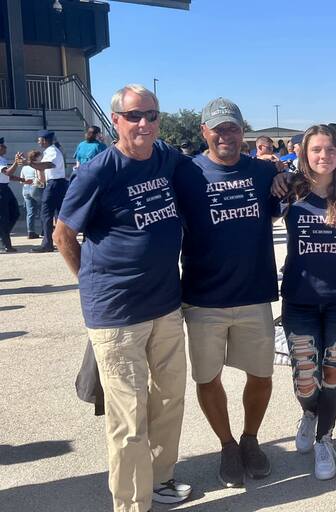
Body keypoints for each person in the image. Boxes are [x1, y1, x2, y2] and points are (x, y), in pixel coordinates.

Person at [53, 84, 192, 512]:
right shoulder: (99, 170)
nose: (144, 124)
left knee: (169, 399)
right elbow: (63, 234)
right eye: (134, 116)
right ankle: (132, 505)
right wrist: (92, 284)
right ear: (116, 120)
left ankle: (161, 479)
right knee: (129, 418)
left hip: (166, 305)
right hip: (117, 315)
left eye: (151, 115)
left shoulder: (166, 157)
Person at [173, 97, 279, 489]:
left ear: (242, 130)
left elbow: (297, 192)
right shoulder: (185, 173)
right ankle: (227, 444)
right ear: (204, 132)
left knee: (262, 375)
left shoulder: (264, 173)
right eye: (217, 128)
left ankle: (250, 439)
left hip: (254, 294)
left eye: (232, 127)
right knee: (207, 377)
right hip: (203, 298)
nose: (225, 135)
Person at [280, 124, 336, 480]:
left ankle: (325, 437)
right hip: (300, 299)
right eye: (316, 150)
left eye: (330, 149)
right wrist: (272, 176)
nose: (324, 156)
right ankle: (309, 414)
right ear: (304, 154)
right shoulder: (289, 190)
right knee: (304, 379)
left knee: (332, 372)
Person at [26, 130, 67, 252]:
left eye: (39, 140)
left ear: (44, 140)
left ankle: (47, 243)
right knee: (59, 214)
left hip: (54, 184)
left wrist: (29, 163)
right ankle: (61, 241)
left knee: (46, 214)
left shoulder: (52, 151)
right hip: (56, 184)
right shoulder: (50, 151)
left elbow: (48, 165)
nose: (38, 142)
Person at [0, 138, 22, 252]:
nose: (5, 148)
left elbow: (7, 176)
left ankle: (2, 236)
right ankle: (6, 245)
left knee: (15, 213)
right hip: (1, 189)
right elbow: (7, 172)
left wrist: (22, 179)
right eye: (3, 146)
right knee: (4, 217)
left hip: (5, 188)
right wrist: (16, 163)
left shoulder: (2, 159)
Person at [20, 150, 44, 239]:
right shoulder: (37, 167)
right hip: (35, 188)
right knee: (43, 210)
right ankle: (44, 230)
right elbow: (39, 179)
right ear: (36, 157)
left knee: (30, 212)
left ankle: (31, 231)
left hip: (25, 189)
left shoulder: (24, 168)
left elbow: (21, 180)